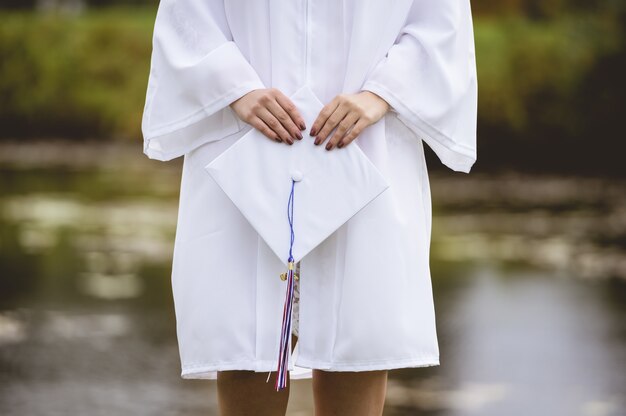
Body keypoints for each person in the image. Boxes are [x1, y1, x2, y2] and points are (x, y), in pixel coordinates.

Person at [141, 1, 477, 415]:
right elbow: (188, 16)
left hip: (364, 145)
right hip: (248, 144)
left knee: (354, 340)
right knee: (249, 343)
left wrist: (381, 93)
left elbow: (440, 22)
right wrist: (235, 88)